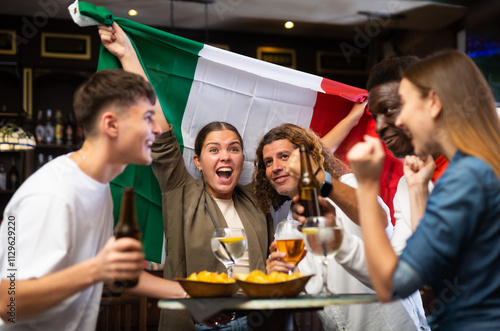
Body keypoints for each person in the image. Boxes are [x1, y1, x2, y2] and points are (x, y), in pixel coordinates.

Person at [98, 22, 273, 331]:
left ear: (242, 159)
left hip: (257, 321)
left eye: (234, 149)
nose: (225, 156)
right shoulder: (181, 190)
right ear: (197, 160)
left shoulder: (257, 198)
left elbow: (299, 160)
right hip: (198, 324)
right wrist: (127, 55)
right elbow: (160, 131)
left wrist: (354, 114)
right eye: (214, 149)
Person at [0, 69, 186, 330]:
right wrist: (96, 270)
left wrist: (191, 297)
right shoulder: (51, 193)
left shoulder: (99, 185)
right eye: (147, 118)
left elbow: (119, 273)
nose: (157, 128)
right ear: (111, 125)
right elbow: (7, 304)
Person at [347, 49, 500, 331]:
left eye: (402, 105)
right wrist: (418, 192)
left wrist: (366, 187)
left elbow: (391, 284)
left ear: (433, 103)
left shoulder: (467, 176)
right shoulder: (475, 167)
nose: (400, 121)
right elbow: (434, 267)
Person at [255, 123, 425, 330]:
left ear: (308, 158)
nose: (275, 167)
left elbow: (378, 219)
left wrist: (317, 177)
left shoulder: (348, 185)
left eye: (284, 156)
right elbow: (302, 295)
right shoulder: (285, 230)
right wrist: (281, 279)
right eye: (268, 162)